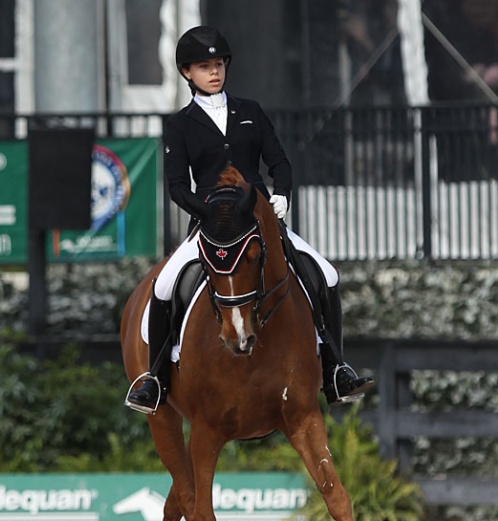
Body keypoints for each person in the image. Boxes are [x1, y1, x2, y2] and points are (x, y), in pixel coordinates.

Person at [125, 25, 373, 413]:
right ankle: (155, 378)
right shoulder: (180, 124)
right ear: (187, 72)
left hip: (260, 219)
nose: (214, 72)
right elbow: (176, 187)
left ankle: (335, 366)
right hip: (211, 224)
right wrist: (206, 213)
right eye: (204, 66)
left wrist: (281, 195)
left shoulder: (250, 111)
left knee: (326, 275)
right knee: (164, 286)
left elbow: (279, 162)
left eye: (219, 64)